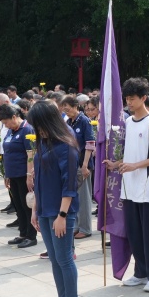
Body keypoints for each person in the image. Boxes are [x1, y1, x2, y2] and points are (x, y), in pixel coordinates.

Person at [108, 77, 149, 292]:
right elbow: (130, 152)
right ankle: (140, 272)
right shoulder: (127, 122)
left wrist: (136, 166)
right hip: (129, 187)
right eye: (127, 99)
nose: (129, 103)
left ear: (144, 98)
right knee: (135, 233)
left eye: (132, 99)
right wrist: (117, 164)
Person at [28, 100, 81, 297]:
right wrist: (35, 209)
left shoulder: (66, 147)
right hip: (44, 209)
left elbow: (69, 185)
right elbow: (39, 180)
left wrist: (62, 216)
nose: (37, 130)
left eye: (39, 125)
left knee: (64, 258)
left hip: (60, 212)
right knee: (55, 259)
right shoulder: (44, 144)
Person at [0, 104, 38, 248]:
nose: (6, 125)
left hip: (23, 174)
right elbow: (7, 153)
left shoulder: (27, 129)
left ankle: (31, 236)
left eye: (6, 122)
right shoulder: (11, 131)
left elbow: (31, 154)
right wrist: (6, 174)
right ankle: (23, 233)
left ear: (14, 117)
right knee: (18, 205)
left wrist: (29, 175)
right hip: (13, 174)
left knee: (27, 205)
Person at [62, 95, 96, 239]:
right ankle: (76, 225)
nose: (66, 111)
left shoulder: (84, 121)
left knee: (84, 198)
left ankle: (85, 228)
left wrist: (85, 165)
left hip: (83, 164)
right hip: (72, 164)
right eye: (64, 110)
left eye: (68, 109)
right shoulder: (69, 122)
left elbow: (90, 144)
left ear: (75, 106)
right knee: (74, 197)